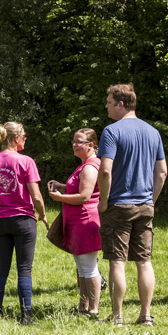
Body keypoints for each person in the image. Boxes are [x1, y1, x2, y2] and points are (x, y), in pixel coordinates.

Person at [96, 84, 166, 327]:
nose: (106, 105)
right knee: (144, 261)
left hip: (118, 205)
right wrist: (151, 201)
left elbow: (105, 170)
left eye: (109, 101)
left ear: (121, 104)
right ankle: (145, 315)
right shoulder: (153, 132)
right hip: (145, 205)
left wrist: (103, 201)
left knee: (117, 261)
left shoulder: (111, 131)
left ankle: (117, 316)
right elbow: (162, 173)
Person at [0, 121, 49, 326]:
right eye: (25, 135)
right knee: (24, 268)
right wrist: (43, 214)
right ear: (16, 138)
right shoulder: (26, 161)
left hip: (0, 220)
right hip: (23, 221)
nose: (26, 139)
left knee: (1, 267)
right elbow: (36, 196)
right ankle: (26, 315)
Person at [48, 128, 102, 318]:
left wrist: (60, 197)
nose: (75, 144)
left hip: (86, 221)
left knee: (88, 266)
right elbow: (79, 188)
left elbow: (85, 196)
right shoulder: (84, 164)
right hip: (77, 221)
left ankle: (93, 309)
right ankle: (83, 306)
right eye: (74, 141)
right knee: (81, 266)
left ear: (91, 145)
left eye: (79, 141)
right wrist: (63, 187)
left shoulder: (89, 166)